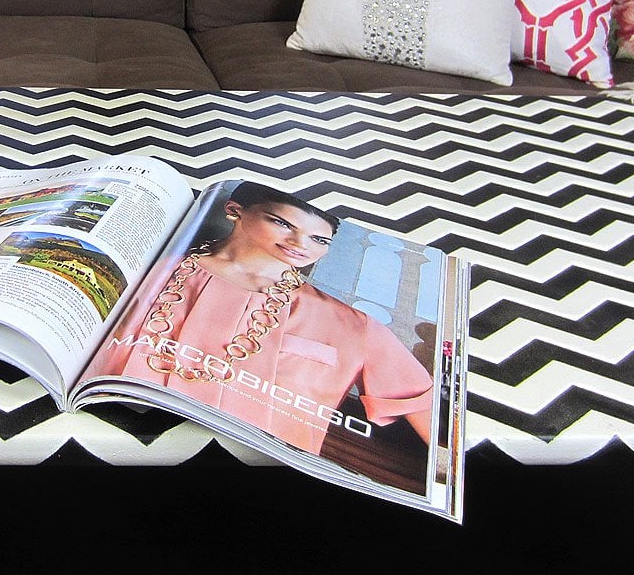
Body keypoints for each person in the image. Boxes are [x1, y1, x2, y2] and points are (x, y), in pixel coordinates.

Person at [99, 182, 433, 457]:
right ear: (234, 210)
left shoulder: (355, 326)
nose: (299, 244)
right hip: (110, 437)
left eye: (319, 239)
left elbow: (426, 412)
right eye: (283, 223)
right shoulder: (148, 271)